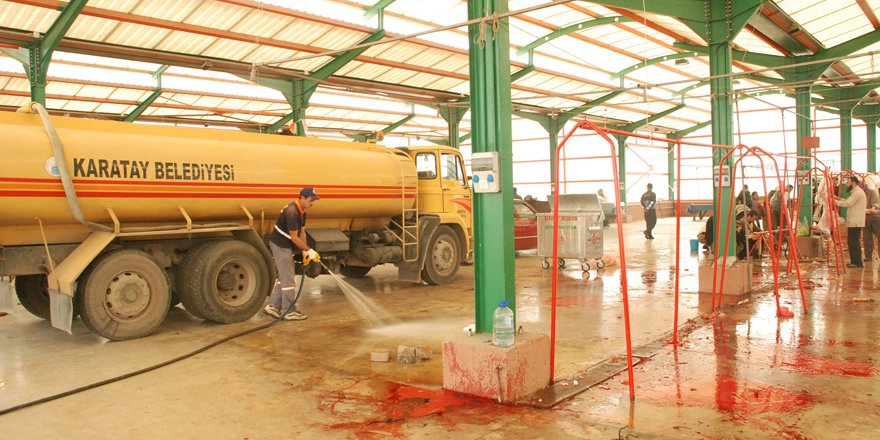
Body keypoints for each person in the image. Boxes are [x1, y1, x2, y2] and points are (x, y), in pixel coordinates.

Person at [264, 187, 321, 320]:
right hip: (280, 245)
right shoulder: (292, 212)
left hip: (285, 245)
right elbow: (294, 237)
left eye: (314, 200)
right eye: (310, 200)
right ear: (301, 198)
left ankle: (273, 306)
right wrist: (310, 250)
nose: (312, 203)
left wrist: (305, 251)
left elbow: (302, 232)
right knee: (288, 279)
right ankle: (289, 311)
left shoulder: (302, 211)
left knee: (284, 277)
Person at [834, 176, 866, 268]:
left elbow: (848, 203)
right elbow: (848, 201)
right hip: (854, 221)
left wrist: (834, 201)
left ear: (854, 183)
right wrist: (838, 198)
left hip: (855, 222)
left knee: (854, 242)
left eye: (848, 183)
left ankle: (857, 263)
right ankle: (855, 262)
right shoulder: (856, 192)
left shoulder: (857, 193)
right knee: (852, 241)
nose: (846, 185)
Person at [865, 183, 880, 263]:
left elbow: (876, 203)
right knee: (867, 238)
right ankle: (868, 256)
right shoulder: (861, 193)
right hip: (866, 219)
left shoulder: (872, 192)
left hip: (876, 218)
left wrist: (873, 208)